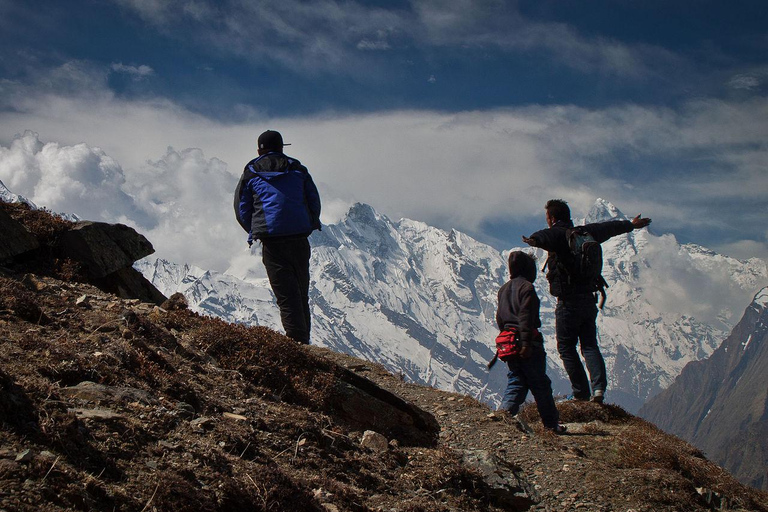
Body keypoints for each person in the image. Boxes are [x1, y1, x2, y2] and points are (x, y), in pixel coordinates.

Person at [522, 199, 651, 403]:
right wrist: (630, 225)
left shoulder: (556, 234)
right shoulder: (586, 232)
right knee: (589, 345)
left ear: (552, 218)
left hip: (568, 302)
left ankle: (581, 393)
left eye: (547, 217)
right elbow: (608, 228)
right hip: (589, 300)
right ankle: (598, 389)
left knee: (566, 347)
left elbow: (544, 236)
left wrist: (533, 240)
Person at [234, 130, 321, 344]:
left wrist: (256, 229)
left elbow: (241, 209)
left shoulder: (252, 172)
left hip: (272, 241)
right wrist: (308, 224)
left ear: (259, 150)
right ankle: (303, 342)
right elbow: (313, 200)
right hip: (299, 239)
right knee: (301, 293)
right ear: (282, 148)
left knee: (286, 297)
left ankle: (298, 346)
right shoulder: (298, 169)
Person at [496, 251, 565, 434]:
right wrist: (526, 344)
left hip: (509, 343)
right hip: (528, 345)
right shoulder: (527, 288)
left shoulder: (503, 289)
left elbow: (500, 319)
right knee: (540, 385)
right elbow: (525, 317)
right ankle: (551, 425)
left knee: (516, 381)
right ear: (528, 269)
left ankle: (502, 416)